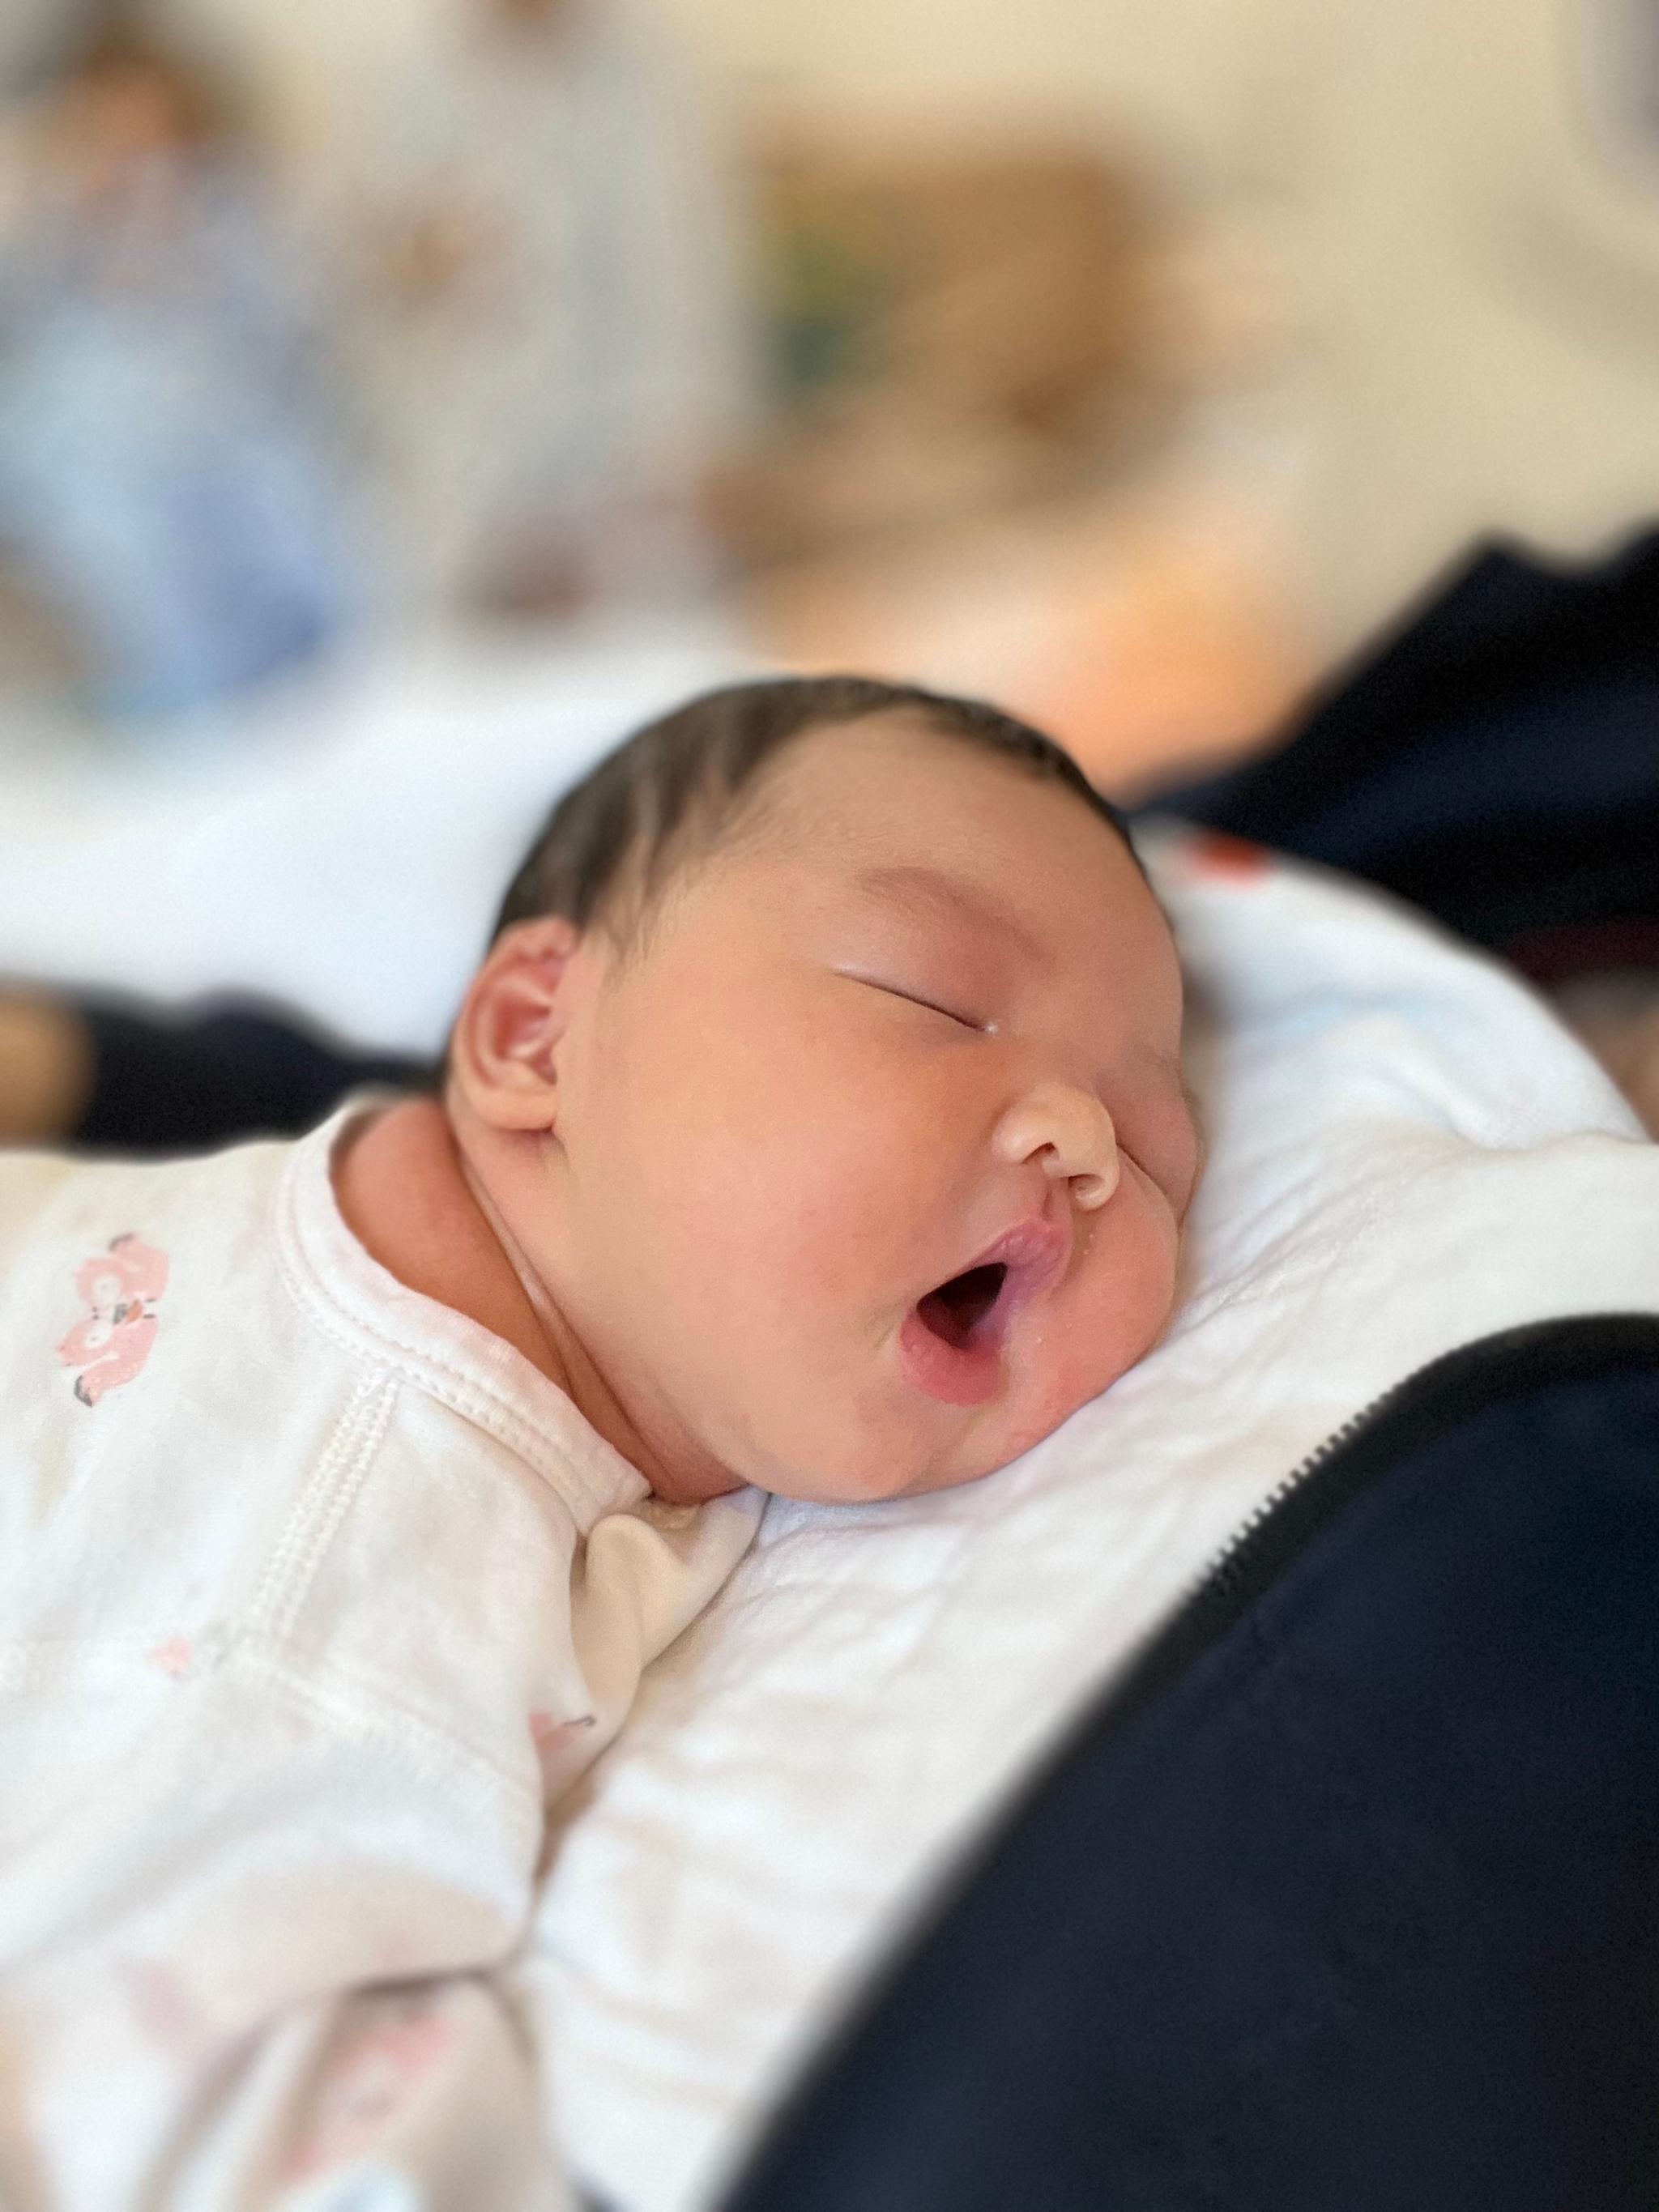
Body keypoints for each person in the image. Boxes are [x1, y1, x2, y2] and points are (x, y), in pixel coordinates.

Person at [0, 676, 1198, 2202]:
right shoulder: (365, 1569)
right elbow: (144, 2093)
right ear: (532, 1034)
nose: (1084, 1142)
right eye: (937, 1001)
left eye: (1160, 1149)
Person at [335, 0, 751, 620]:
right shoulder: (412, 77)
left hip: (629, 444)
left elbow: (685, 278)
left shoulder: (643, 74)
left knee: (654, 619)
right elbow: (360, 266)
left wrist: (692, 437)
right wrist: (413, 257)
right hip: (462, 449)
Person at [0, 11, 358, 718]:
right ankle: (179, 706)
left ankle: (313, 693)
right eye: (105, 124)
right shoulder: (50, 224)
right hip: (88, 441)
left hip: (223, 427)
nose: (128, 143)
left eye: (145, 120)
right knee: (116, 537)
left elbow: (285, 325)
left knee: (292, 517)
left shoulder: (227, 213)